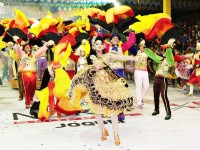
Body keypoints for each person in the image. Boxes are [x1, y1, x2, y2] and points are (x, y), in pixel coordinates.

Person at [69, 36, 135, 146]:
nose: (99, 45)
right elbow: (86, 70)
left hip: (109, 86)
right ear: (94, 47)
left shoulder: (107, 55)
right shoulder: (90, 57)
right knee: (97, 111)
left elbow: (120, 57)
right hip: (96, 88)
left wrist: (134, 58)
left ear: (104, 46)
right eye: (96, 44)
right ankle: (103, 130)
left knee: (113, 110)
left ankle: (116, 134)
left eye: (101, 43)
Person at [15, 37, 52, 109]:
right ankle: (27, 102)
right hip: (25, 73)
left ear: (30, 48)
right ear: (24, 49)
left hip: (33, 74)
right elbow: (18, 49)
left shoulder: (34, 55)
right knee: (26, 88)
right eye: (26, 47)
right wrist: (17, 42)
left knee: (32, 88)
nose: (27, 48)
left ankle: (31, 99)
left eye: (28, 47)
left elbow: (41, 51)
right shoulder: (22, 55)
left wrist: (47, 45)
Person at [134, 39, 149, 109]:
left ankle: (140, 97)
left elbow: (154, 56)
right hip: (137, 71)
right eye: (141, 45)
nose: (142, 46)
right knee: (138, 87)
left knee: (146, 86)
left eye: (144, 45)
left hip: (145, 71)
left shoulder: (147, 52)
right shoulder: (135, 51)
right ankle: (139, 102)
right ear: (139, 46)